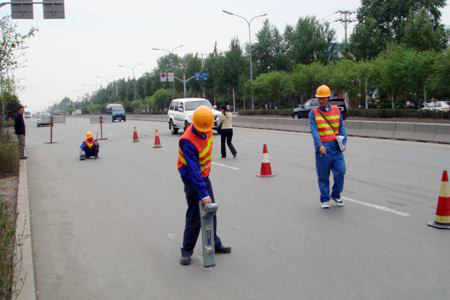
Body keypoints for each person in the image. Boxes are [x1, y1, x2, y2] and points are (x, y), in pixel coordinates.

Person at [177, 105, 231, 266]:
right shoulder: (187, 140)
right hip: (191, 179)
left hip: (204, 176)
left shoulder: (207, 129)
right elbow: (193, 170)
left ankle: (214, 243)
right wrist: (204, 195)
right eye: (201, 129)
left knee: (211, 212)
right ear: (195, 124)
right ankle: (186, 251)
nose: (204, 131)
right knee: (194, 215)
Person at [308, 85, 347, 209]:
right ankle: (324, 199)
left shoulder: (336, 110)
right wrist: (319, 145)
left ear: (328, 98)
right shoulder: (313, 113)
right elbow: (314, 132)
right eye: (319, 98)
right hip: (323, 149)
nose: (321, 100)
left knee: (341, 171)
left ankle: (335, 194)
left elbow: (342, 128)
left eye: (323, 98)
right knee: (323, 175)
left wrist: (344, 142)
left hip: (336, 147)